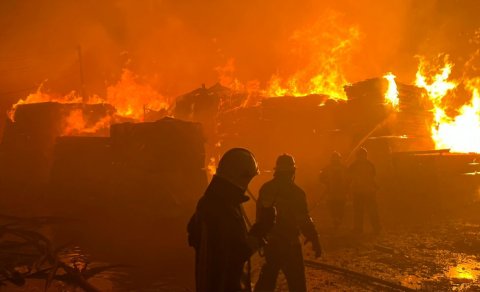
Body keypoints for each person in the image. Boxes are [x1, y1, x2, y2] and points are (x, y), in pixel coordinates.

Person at [187, 148, 275, 292]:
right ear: (240, 177)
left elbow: (193, 234)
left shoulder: (209, 202)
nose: (247, 185)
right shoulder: (223, 208)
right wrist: (261, 229)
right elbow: (237, 253)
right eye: (248, 179)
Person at [254, 154, 321, 292]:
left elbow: (259, 218)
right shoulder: (296, 193)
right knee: (297, 284)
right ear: (292, 172)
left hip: (271, 243)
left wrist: (260, 238)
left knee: (267, 281)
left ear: (276, 171)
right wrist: (314, 237)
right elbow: (303, 219)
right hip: (290, 244)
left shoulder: (266, 188)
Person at [348, 148, 380, 234]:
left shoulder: (354, 165)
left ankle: (374, 228)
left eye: (363, 155)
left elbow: (372, 177)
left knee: (368, 210)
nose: (362, 157)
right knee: (361, 211)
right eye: (361, 155)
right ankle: (374, 228)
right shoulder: (369, 164)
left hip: (365, 191)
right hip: (363, 191)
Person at [319, 151, 348, 230]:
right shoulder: (328, 168)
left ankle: (338, 219)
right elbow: (321, 177)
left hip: (341, 192)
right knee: (332, 207)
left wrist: (347, 187)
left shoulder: (343, 168)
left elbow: (349, 179)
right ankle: (336, 219)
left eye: (337, 158)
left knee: (340, 207)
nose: (335, 160)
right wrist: (326, 182)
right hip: (331, 192)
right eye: (334, 158)